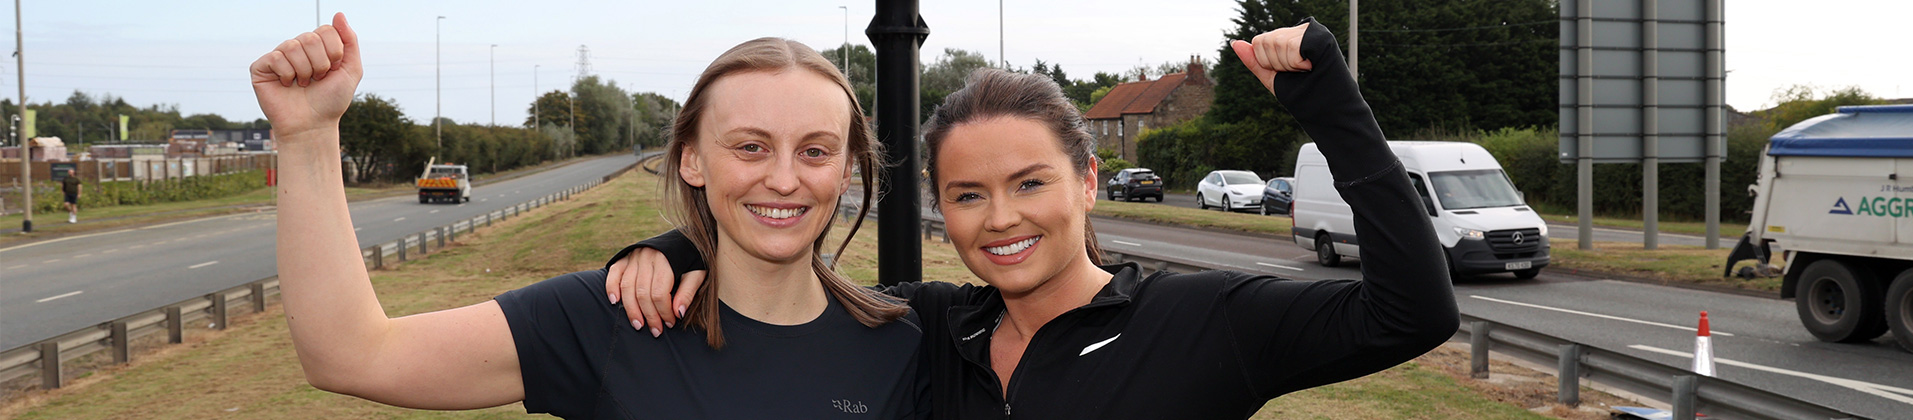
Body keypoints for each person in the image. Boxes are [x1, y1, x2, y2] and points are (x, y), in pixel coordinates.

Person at [606, 18, 1459, 419]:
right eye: (969, 196)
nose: (1001, 219)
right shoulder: (930, 326)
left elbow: (1412, 314)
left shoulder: (1204, 321)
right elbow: (790, 274)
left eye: (1030, 183)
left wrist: (1338, 117)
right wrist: (679, 240)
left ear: (1089, 181)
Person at [253, 13, 922, 418]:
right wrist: (309, 136)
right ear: (691, 161)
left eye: (814, 150)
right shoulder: (609, 321)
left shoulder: (912, 341)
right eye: (749, 146)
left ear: (846, 170)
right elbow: (352, 355)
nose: (782, 178)